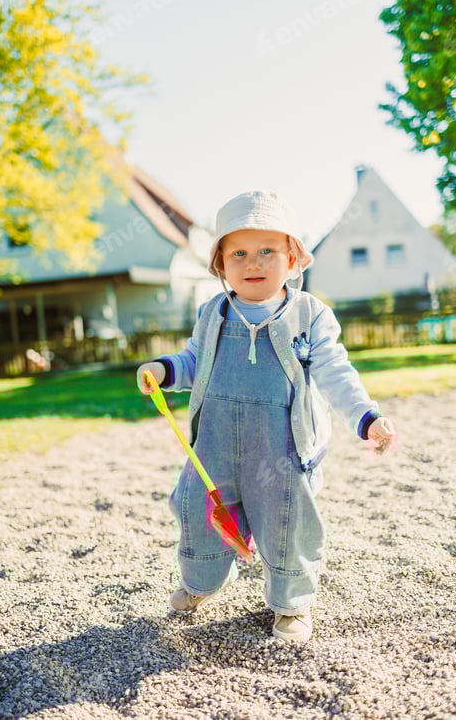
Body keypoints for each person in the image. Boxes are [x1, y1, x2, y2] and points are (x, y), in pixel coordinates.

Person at [138, 190, 396, 643]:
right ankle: (202, 583)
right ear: (220, 264)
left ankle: (291, 603)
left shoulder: (309, 315)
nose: (252, 263)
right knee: (198, 508)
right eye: (238, 252)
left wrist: (366, 417)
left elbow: (336, 371)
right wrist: (164, 369)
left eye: (267, 251)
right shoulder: (213, 313)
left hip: (281, 445)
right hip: (214, 441)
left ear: (293, 258)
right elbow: (195, 362)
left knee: (287, 519)